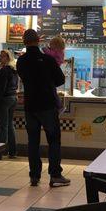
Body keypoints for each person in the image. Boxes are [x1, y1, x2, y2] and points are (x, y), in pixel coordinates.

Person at [16, 29, 70, 187]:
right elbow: (60, 80)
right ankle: (55, 175)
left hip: (30, 105)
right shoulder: (47, 59)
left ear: (24, 41)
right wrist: (47, 82)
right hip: (47, 104)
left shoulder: (21, 61)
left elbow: (24, 79)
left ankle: (34, 176)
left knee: (33, 141)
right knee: (53, 140)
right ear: (38, 40)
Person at [0, 50, 18, 158]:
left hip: (4, 99)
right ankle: (13, 151)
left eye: (2, 56)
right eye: (0, 56)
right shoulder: (14, 70)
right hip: (13, 98)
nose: (0, 58)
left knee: (3, 126)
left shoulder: (4, 71)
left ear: (8, 58)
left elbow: (0, 89)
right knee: (9, 125)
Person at [42, 36, 66, 112]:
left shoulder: (58, 52)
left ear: (56, 45)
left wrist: (45, 49)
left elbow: (50, 54)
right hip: (53, 70)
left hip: (53, 70)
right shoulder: (59, 52)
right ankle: (59, 106)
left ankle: (60, 106)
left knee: (52, 90)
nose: (50, 45)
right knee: (52, 90)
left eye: (51, 44)